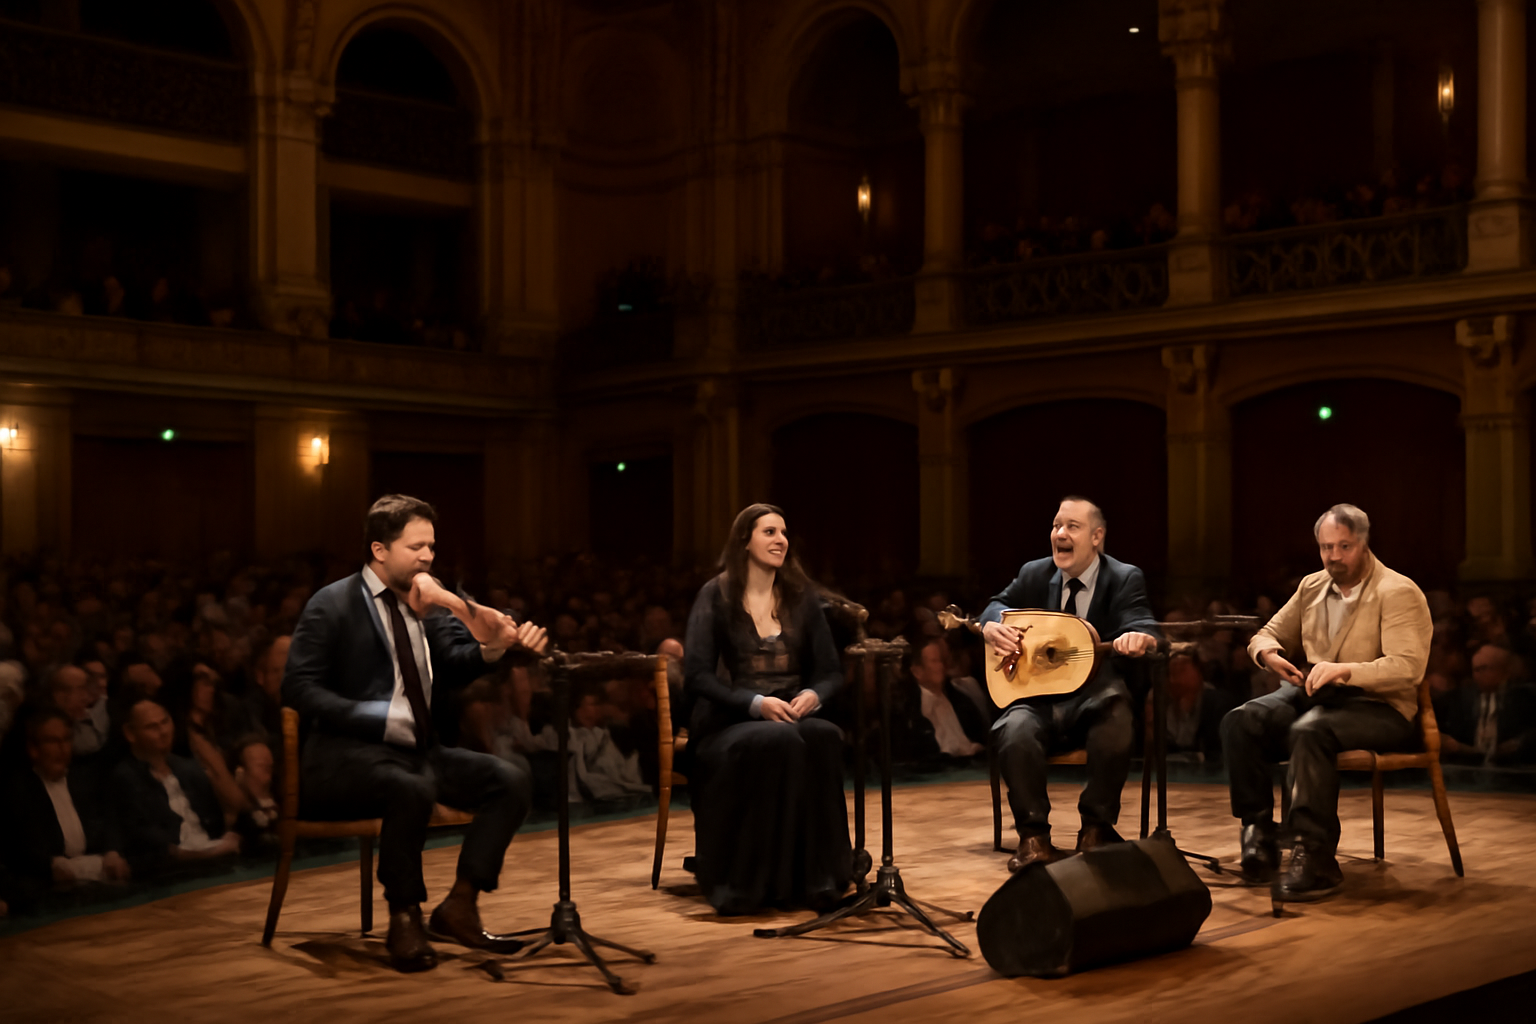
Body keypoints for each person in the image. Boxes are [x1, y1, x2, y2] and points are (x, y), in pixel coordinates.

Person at [283, 494, 548, 973]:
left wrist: (494, 649)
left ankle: (461, 904)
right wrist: (376, 716)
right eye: (416, 546)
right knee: (411, 787)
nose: (427, 556)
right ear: (380, 550)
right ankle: (404, 914)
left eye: (431, 546)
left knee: (511, 778)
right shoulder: (333, 603)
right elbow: (298, 688)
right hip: (345, 757)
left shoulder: (428, 603)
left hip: (417, 753)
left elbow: (456, 661)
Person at [1222, 504, 1430, 901]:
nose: (1333, 556)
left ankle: (1315, 856)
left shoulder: (1397, 591)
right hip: (1318, 695)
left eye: (1344, 546)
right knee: (1241, 720)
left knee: (1310, 731)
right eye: (1325, 547)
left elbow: (1408, 667)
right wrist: (1268, 654)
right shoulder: (1312, 586)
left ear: (1364, 542)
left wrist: (1347, 670)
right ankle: (1259, 833)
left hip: (1379, 705)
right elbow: (1266, 632)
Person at [682, 502, 851, 915]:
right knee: (780, 739)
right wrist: (756, 704)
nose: (780, 540)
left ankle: (817, 878)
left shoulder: (801, 597)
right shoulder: (716, 593)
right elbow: (698, 675)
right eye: (769, 532)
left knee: (824, 735)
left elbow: (831, 672)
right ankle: (756, 882)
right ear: (745, 541)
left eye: (783, 532)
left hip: (792, 714)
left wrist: (815, 695)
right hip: (731, 718)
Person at [979, 496, 1161, 871]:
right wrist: (991, 624)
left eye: (1071, 527)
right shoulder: (1034, 573)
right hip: (1038, 698)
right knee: (1013, 728)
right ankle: (1033, 838)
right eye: (1056, 525)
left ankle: (1096, 829)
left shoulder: (1124, 577)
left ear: (1097, 537)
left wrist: (1138, 637)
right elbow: (997, 603)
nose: (1060, 534)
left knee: (1116, 717)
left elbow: (1141, 621)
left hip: (1095, 697)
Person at [109, 698, 240, 877]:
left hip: (212, 855)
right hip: (168, 870)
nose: (163, 731)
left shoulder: (189, 768)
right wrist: (202, 853)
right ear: (130, 733)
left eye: (165, 722)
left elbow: (216, 820)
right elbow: (143, 839)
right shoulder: (125, 778)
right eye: (152, 727)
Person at [5, 709, 131, 890]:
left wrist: (112, 852)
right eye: (53, 741)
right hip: (50, 888)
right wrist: (54, 865)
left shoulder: (86, 780)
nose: (62, 748)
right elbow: (25, 853)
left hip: (100, 879)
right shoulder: (18, 791)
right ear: (33, 749)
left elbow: (110, 821)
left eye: (66, 740)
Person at [1440, 644, 1536, 766]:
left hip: (1513, 770)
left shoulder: (1524, 697)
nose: (1477, 675)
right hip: (1467, 769)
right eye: (1475, 670)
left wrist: (1521, 742)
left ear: (1504, 671)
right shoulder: (1459, 699)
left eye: (1483, 668)